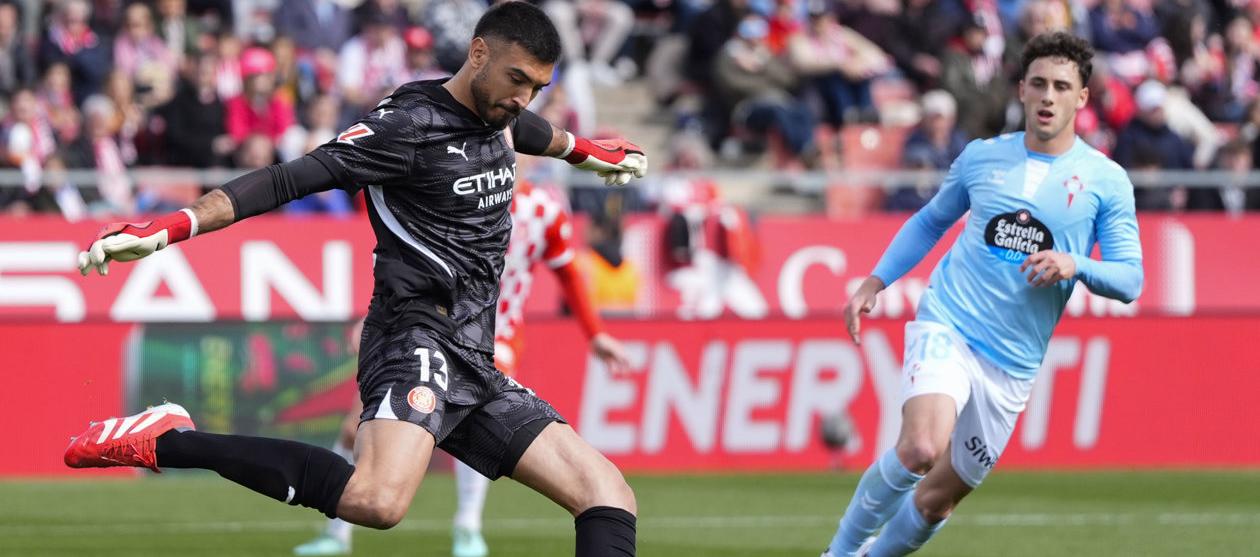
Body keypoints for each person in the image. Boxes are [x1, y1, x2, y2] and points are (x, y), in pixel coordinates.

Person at [64, 4, 648, 557]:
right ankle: (170, 439)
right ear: (477, 54)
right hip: (413, 336)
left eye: (536, 88)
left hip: (474, 355)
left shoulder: (503, 116)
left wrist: (585, 151)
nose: (523, 99)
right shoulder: (405, 128)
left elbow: (527, 132)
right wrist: (170, 227)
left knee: (607, 492)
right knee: (376, 500)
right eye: (516, 79)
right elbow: (285, 180)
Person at [820, 32, 1143, 557]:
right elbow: (930, 221)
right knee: (921, 447)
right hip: (950, 322)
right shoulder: (982, 157)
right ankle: (838, 552)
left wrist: (1075, 263)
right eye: (1038, 83)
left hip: (1012, 364)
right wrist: (875, 281)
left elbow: (1131, 279)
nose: (1048, 96)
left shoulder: (1106, 180)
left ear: (1082, 97)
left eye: (1062, 86)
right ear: (1020, 89)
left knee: (935, 503)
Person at [294, 180, 631, 556]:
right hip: (425, 328)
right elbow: (410, 259)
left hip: (494, 338)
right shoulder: (449, 182)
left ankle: (468, 527)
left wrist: (595, 333)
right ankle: (336, 534)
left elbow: (567, 270)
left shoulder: (542, 210)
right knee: (352, 428)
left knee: (479, 419)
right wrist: (377, 318)